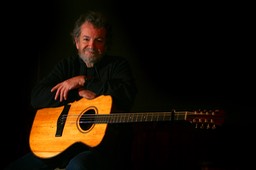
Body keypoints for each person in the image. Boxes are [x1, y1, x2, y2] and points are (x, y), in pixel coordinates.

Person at [5, 10, 137, 170]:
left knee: (78, 166)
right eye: (86, 39)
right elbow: (36, 97)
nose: (91, 46)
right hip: (58, 144)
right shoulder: (66, 65)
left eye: (99, 40)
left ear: (106, 44)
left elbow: (126, 96)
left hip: (98, 148)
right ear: (77, 42)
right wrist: (77, 92)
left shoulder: (118, 65)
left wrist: (83, 81)